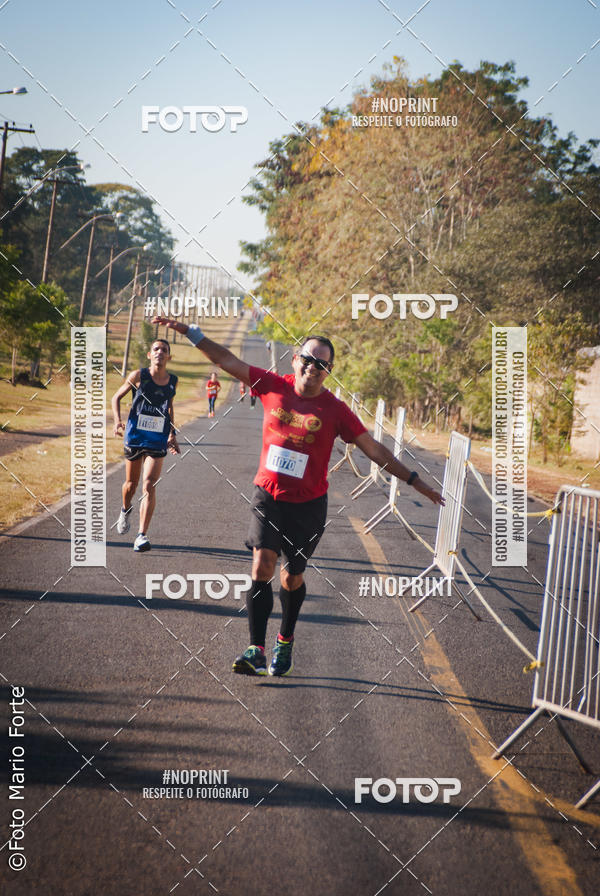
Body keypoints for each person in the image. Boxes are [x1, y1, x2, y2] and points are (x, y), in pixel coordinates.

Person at [153, 315, 444, 676]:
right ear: (295, 359)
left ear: (329, 370)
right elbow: (225, 360)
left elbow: (375, 450)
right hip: (268, 496)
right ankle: (256, 648)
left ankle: (285, 641)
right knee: (261, 566)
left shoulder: (336, 411)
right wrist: (190, 333)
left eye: (321, 363)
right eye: (307, 358)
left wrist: (414, 480)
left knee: (291, 577)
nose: (313, 366)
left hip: (308, 506)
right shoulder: (272, 385)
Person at [111, 338, 180, 552]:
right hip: (135, 435)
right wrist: (117, 421)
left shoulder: (172, 380)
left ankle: (141, 535)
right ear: (150, 355)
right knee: (131, 485)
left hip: (157, 438)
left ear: (168, 357)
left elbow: (169, 407)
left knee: (149, 484)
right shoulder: (139, 376)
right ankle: (125, 509)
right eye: (156, 349)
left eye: (164, 350)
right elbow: (116, 397)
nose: (160, 352)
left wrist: (172, 434)